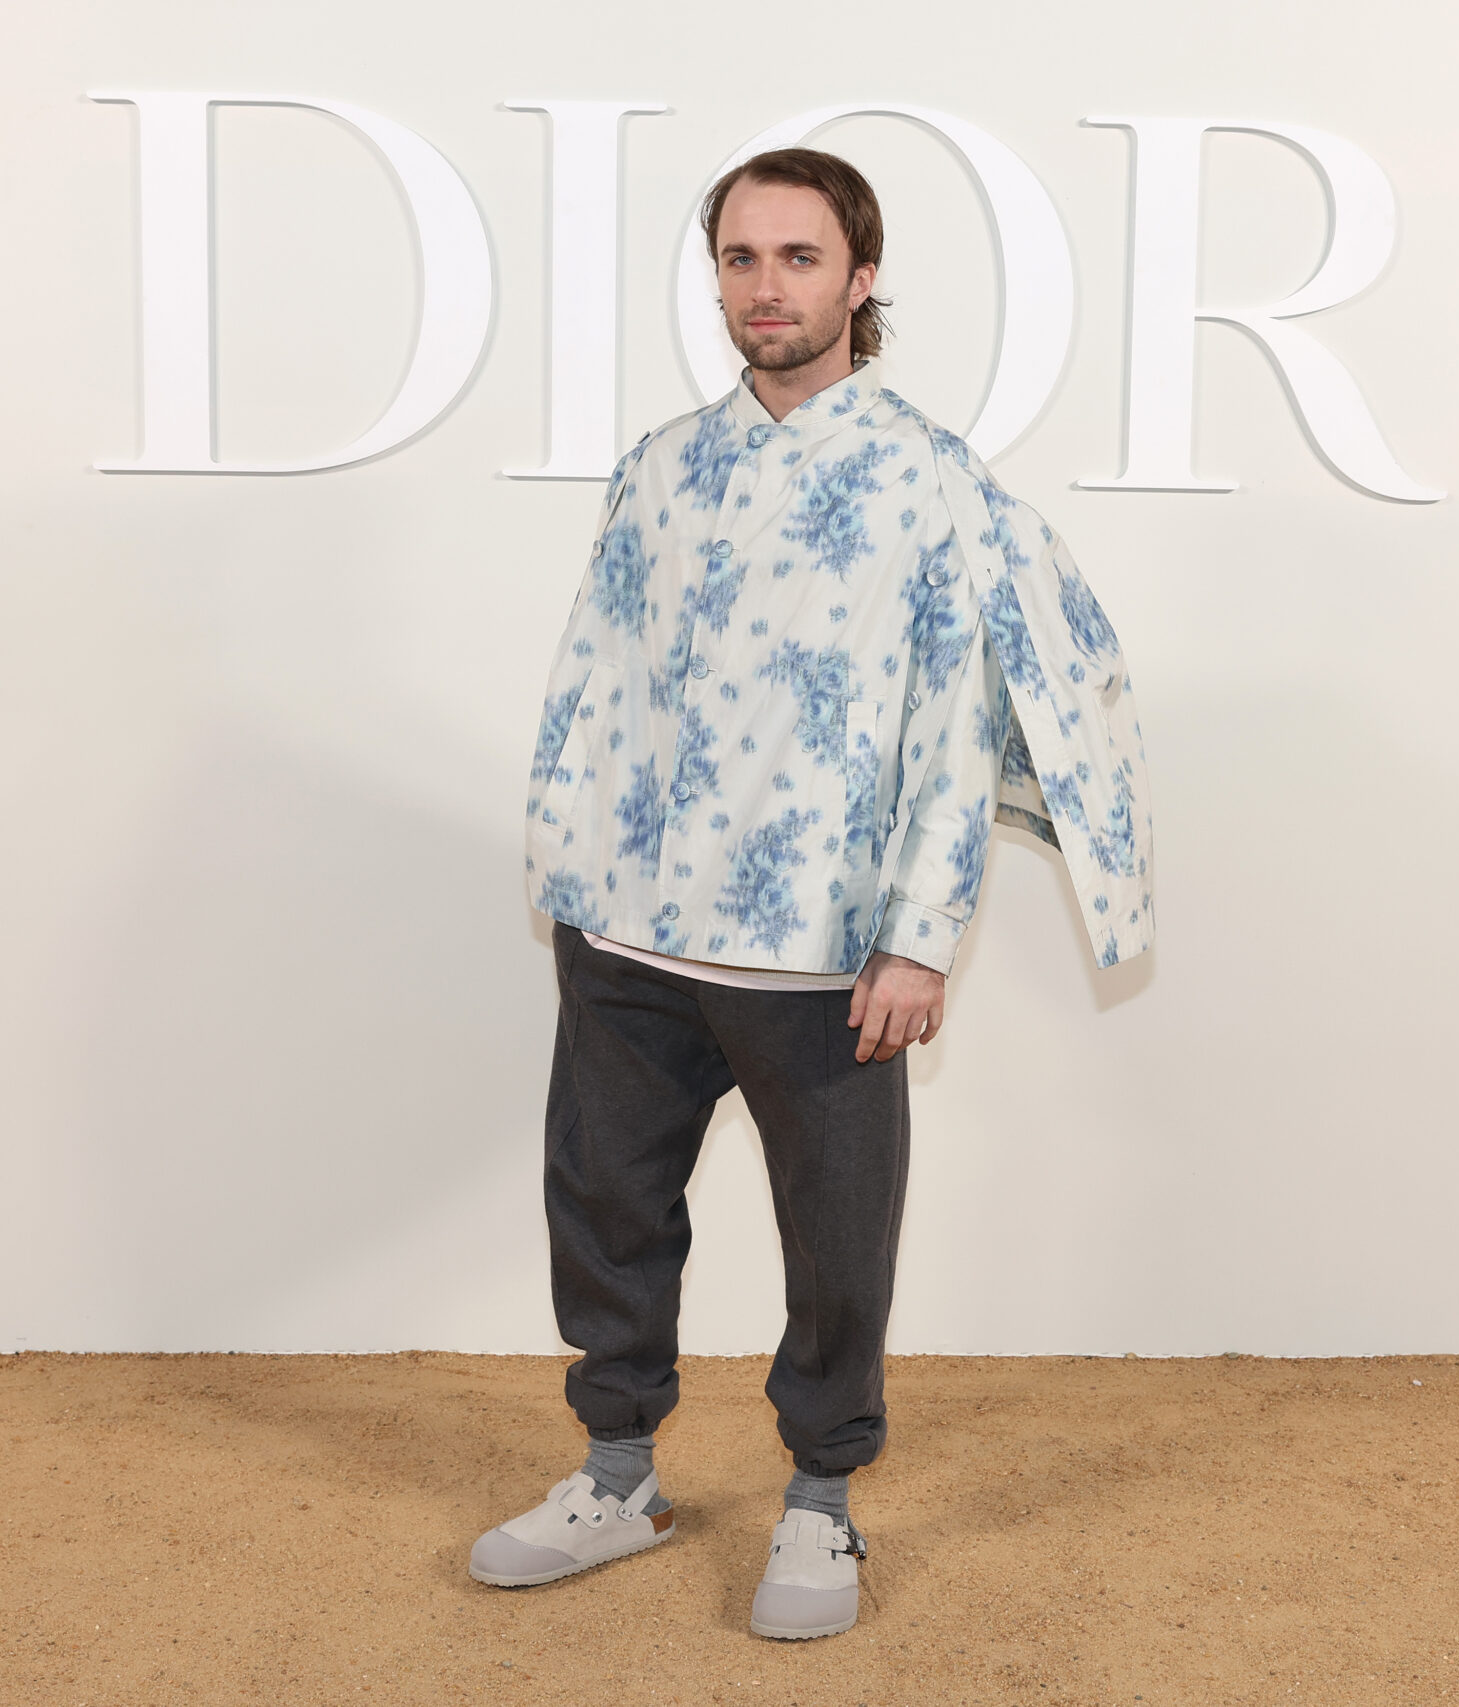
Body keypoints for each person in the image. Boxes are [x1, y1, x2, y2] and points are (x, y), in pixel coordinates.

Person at [471, 147, 1154, 1640]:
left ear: (861, 277)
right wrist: (570, 871)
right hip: (630, 934)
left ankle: (822, 1500)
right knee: (604, 1206)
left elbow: (957, 722)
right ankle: (617, 1475)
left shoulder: (929, 482)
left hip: (822, 954)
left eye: (797, 257)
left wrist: (920, 939)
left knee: (838, 1241)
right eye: (740, 258)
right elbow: (597, 670)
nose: (765, 287)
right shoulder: (661, 465)